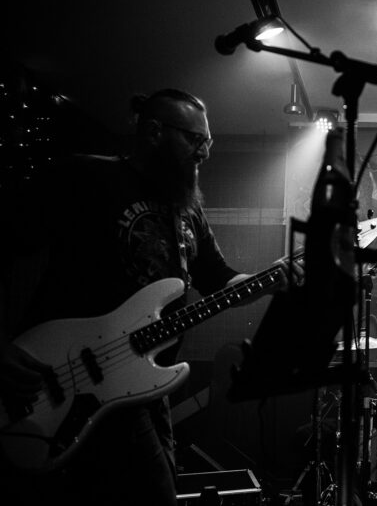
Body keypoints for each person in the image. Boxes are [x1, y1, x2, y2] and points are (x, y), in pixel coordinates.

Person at [0, 89, 277, 506]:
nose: (204, 152)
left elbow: (219, 280)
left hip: (141, 387)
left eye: (208, 142)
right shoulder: (85, 177)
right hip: (59, 373)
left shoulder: (187, 210)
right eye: (194, 139)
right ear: (153, 132)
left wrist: (271, 279)